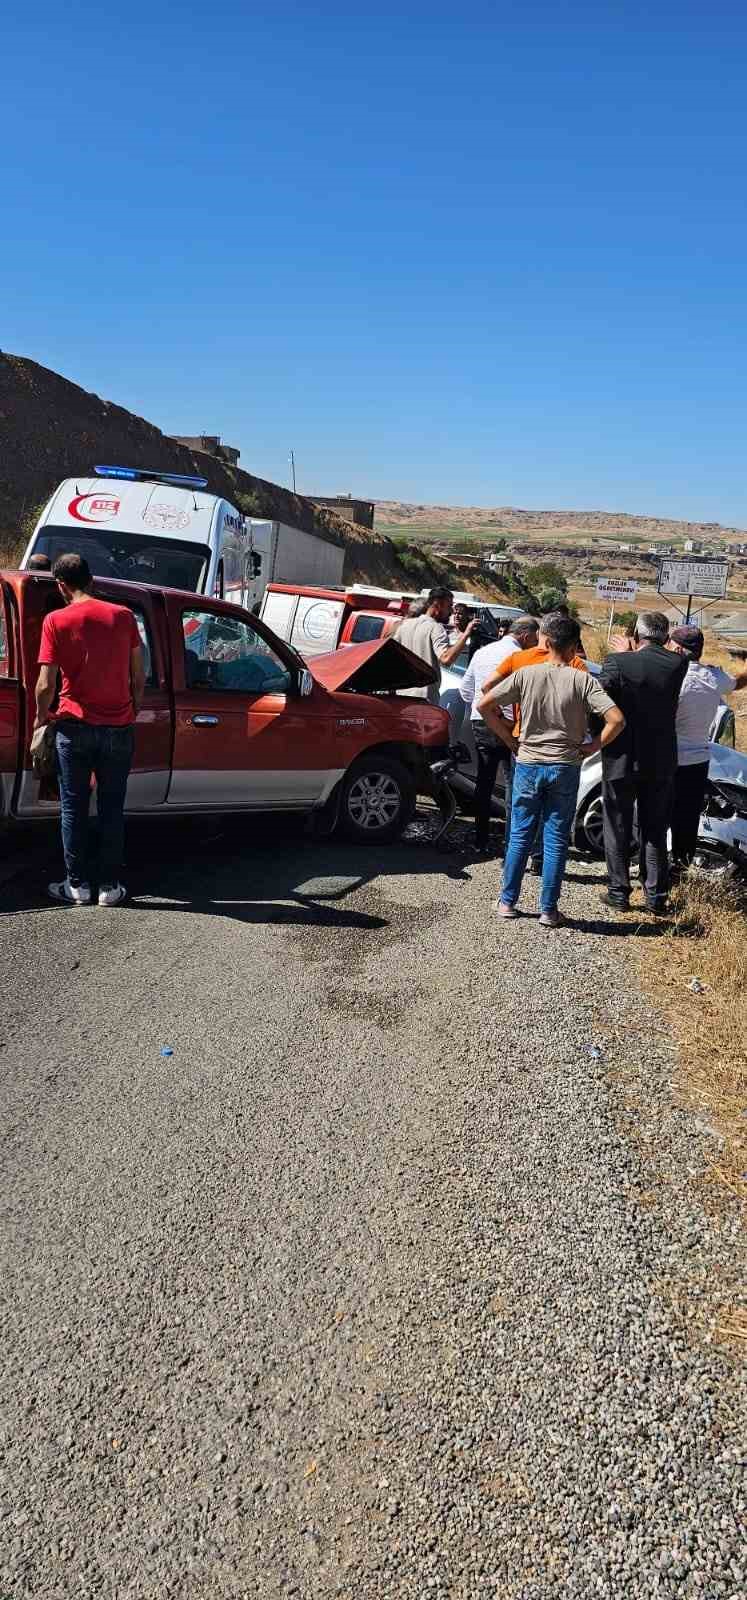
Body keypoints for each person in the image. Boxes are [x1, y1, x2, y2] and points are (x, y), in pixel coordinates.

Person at [478, 614, 625, 926]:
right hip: (565, 765)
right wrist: (591, 747)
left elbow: (484, 705)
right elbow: (617, 720)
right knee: (556, 838)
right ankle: (548, 909)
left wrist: (509, 737)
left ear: (544, 641)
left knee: (520, 833)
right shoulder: (582, 679)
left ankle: (507, 902)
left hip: (528, 762)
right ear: (573, 647)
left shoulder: (525, 673)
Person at [34, 552, 145, 906]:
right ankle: (110, 888)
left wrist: (41, 717)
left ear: (61, 585)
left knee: (73, 808)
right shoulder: (124, 617)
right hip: (119, 728)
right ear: (91, 580)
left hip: (74, 728)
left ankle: (77, 886)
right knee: (112, 808)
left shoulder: (56, 621)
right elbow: (138, 675)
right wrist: (133, 709)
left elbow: (44, 685)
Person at [485, 611, 589, 871]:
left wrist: (506, 725)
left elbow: (487, 688)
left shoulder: (519, 658)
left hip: (524, 740)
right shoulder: (575, 664)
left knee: (518, 802)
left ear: (542, 634)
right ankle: (539, 859)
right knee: (552, 810)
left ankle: (512, 856)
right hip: (560, 747)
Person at [599, 611, 687, 914]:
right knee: (655, 828)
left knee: (617, 824)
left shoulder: (617, 662)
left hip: (621, 755)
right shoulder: (679, 663)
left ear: (637, 634)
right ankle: (655, 896)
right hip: (661, 759)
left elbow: (600, 700)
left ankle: (618, 892)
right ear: (665, 635)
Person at [668, 624, 747, 869]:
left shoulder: (671, 677)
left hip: (669, 758)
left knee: (659, 814)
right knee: (688, 818)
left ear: (679, 649)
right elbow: (739, 682)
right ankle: (680, 866)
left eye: (671, 645)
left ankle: (655, 868)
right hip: (699, 760)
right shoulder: (714, 677)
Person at [458, 615, 540, 852]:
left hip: (481, 721)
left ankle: (480, 840)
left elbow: (466, 691)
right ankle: (511, 844)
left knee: (484, 781)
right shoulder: (520, 658)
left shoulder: (482, 652)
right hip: (510, 724)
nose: (536, 644)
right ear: (525, 636)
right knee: (515, 785)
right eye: (534, 639)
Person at [395, 587, 474, 706]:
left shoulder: (404, 626)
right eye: (449, 606)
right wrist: (466, 634)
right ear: (438, 604)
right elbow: (446, 659)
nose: (452, 612)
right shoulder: (435, 628)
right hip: (424, 699)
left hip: (400, 697)